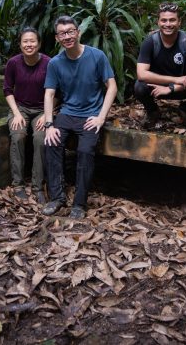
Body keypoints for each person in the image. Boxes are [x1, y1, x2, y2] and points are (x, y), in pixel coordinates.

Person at [42, 16, 117, 219]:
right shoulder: (55, 63)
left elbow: (112, 87)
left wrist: (101, 117)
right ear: (57, 38)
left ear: (78, 32)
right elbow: (49, 94)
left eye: (70, 31)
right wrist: (49, 124)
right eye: (62, 33)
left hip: (91, 114)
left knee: (85, 151)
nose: (67, 36)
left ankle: (79, 204)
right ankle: (57, 197)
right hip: (67, 113)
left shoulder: (97, 56)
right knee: (51, 143)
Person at [135, 2, 186, 128]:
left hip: (182, 87)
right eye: (164, 20)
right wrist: (175, 80)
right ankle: (153, 111)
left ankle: (185, 110)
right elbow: (141, 74)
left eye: (172, 20)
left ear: (179, 22)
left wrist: (172, 87)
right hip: (157, 87)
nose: (168, 24)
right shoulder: (150, 42)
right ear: (158, 22)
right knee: (139, 87)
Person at [3, 27, 50, 203]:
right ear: (20, 44)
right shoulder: (13, 63)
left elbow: (56, 92)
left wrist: (47, 114)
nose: (29, 44)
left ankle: (38, 186)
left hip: (42, 109)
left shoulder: (48, 63)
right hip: (20, 108)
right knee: (18, 135)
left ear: (38, 43)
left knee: (40, 138)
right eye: (25, 41)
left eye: (32, 41)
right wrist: (16, 113)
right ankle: (18, 184)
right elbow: (7, 90)